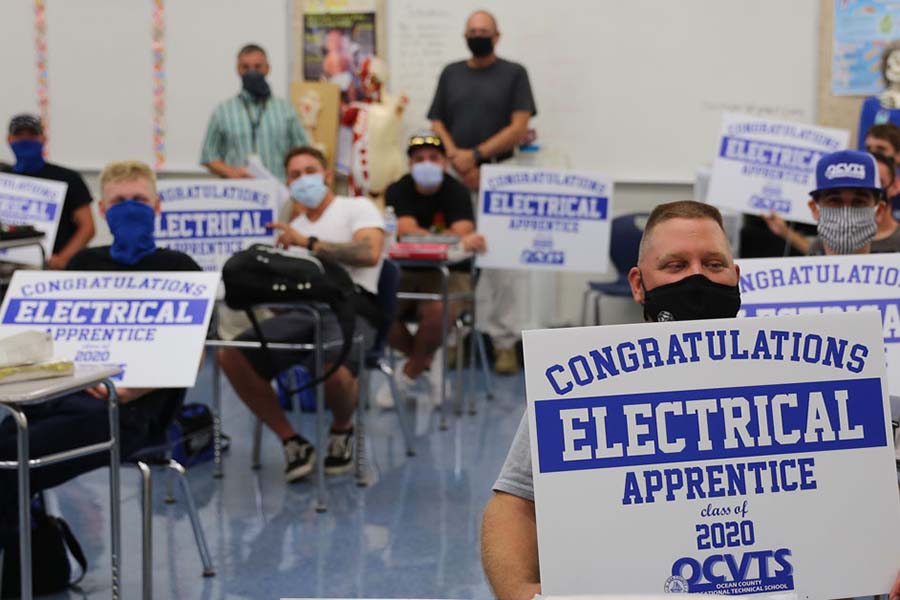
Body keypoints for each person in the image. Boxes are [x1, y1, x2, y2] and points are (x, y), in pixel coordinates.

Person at [482, 199, 744, 599]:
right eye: (675, 266)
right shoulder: (584, 382)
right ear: (638, 284)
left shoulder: (792, 376)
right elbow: (515, 501)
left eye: (713, 265)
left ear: (736, 275)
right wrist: (519, 591)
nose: (697, 280)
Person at [0, 160, 201, 531]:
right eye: (120, 200)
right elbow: (54, 337)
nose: (130, 208)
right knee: (11, 441)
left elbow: (193, 352)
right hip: (64, 396)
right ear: (103, 211)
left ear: (157, 207)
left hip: (132, 410)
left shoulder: (180, 267)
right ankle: (25, 548)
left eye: (139, 199)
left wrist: (128, 391)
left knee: (12, 459)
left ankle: (28, 554)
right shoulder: (84, 262)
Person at [217, 146, 384, 483]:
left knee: (332, 366)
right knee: (232, 355)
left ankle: (341, 430)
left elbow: (369, 252)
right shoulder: (290, 225)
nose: (303, 179)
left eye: (310, 170)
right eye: (294, 174)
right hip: (302, 313)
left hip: (352, 308)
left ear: (325, 174)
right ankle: (291, 440)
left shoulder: (356, 207)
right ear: (287, 182)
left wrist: (307, 243)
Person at [427, 10, 536, 374]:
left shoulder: (514, 73)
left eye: (483, 31)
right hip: (456, 177)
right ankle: (455, 339)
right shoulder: (451, 72)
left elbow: (519, 126)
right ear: (464, 35)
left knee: (502, 264)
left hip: (500, 176)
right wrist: (458, 158)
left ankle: (504, 343)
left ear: (497, 35)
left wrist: (476, 157)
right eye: (472, 30)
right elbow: (437, 121)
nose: (478, 35)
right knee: (456, 257)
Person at [376, 132, 487, 408]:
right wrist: (449, 239)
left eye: (433, 158)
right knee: (377, 309)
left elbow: (464, 230)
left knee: (440, 310)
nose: (427, 163)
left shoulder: (457, 191)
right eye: (420, 158)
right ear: (410, 163)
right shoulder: (398, 189)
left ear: (444, 163)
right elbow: (405, 229)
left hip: (451, 273)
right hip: (407, 272)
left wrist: (427, 237)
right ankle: (426, 361)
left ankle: (409, 372)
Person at [200, 44, 310, 182]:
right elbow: (208, 156)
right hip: (237, 193)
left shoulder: (286, 110)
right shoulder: (223, 111)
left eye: (258, 67)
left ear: (267, 69)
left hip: (279, 191)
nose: (252, 72)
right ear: (238, 70)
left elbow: (304, 152)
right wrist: (232, 172)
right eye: (246, 67)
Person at [2, 114, 95, 269]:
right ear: (9, 139)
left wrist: (63, 258)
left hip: (53, 268)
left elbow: (87, 227)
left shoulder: (68, 178)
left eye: (32, 135)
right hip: (5, 269)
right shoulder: (3, 177)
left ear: (43, 139)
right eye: (19, 135)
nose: (26, 140)